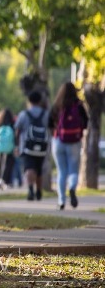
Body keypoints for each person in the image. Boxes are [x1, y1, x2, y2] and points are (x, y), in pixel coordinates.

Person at [49, 82, 88, 210]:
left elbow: (49, 123)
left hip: (58, 141)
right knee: (73, 170)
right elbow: (86, 122)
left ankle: (61, 200)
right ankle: (72, 187)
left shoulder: (57, 105)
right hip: (74, 142)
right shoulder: (78, 105)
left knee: (61, 171)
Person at [14, 90, 50, 202]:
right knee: (39, 169)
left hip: (27, 146)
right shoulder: (46, 114)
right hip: (42, 147)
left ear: (29, 100)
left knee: (29, 168)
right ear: (40, 101)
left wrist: (16, 145)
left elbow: (17, 130)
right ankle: (39, 190)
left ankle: (30, 189)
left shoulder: (24, 114)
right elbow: (51, 128)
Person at [0, 108, 16, 190]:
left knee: (0, 164)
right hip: (9, 148)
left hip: (0, 148)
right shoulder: (12, 125)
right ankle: (7, 181)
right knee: (9, 165)